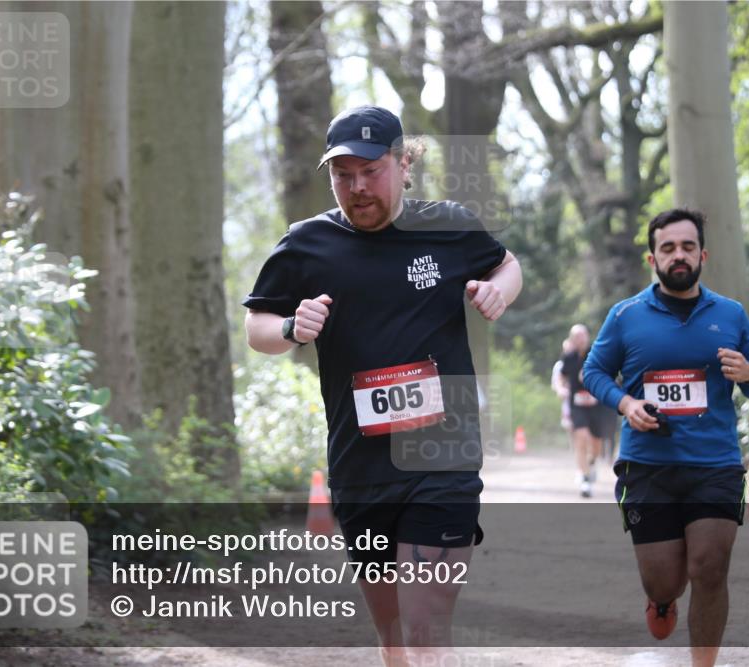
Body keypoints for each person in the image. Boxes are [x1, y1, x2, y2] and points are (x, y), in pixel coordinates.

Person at [243, 105, 522, 666]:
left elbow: (506, 263)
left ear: (402, 162)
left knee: (426, 625)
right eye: (343, 175)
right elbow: (257, 328)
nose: (358, 187)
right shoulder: (307, 244)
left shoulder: (447, 227)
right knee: (394, 636)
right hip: (360, 465)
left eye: (371, 170)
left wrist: (500, 291)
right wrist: (292, 328)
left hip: (443, 456)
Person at [582, 208, 749, 667]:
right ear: (653, 259)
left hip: (715, 463)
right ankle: (663, 601)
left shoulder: (729, 314)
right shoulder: (625, 315)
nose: (679, 255)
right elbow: (594, 371)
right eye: (668, 248)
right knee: (663, 580)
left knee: (709, 568)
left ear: (702, 254)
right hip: (649, 467)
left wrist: (748, 373)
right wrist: (627, 405)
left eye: (688, 246)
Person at [558, 325, 606, 497]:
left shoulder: (596, 352)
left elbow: (608, 371)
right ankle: (585, 478)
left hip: (596, 404)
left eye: (584, 334)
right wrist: (560, 388)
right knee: (581, 437)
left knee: (596, 443)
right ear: (572, 339)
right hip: (577, 404)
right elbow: (561, 376)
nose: (582, 338)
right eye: (577, 336)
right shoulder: (569, 357)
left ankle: (591, 463)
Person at [550, 338, 573, 432]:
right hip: (567, 402)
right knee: (570, 428)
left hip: (582, 401)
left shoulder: (582, 362)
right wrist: (561, 390)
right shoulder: (559, 366)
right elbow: (555, 384)